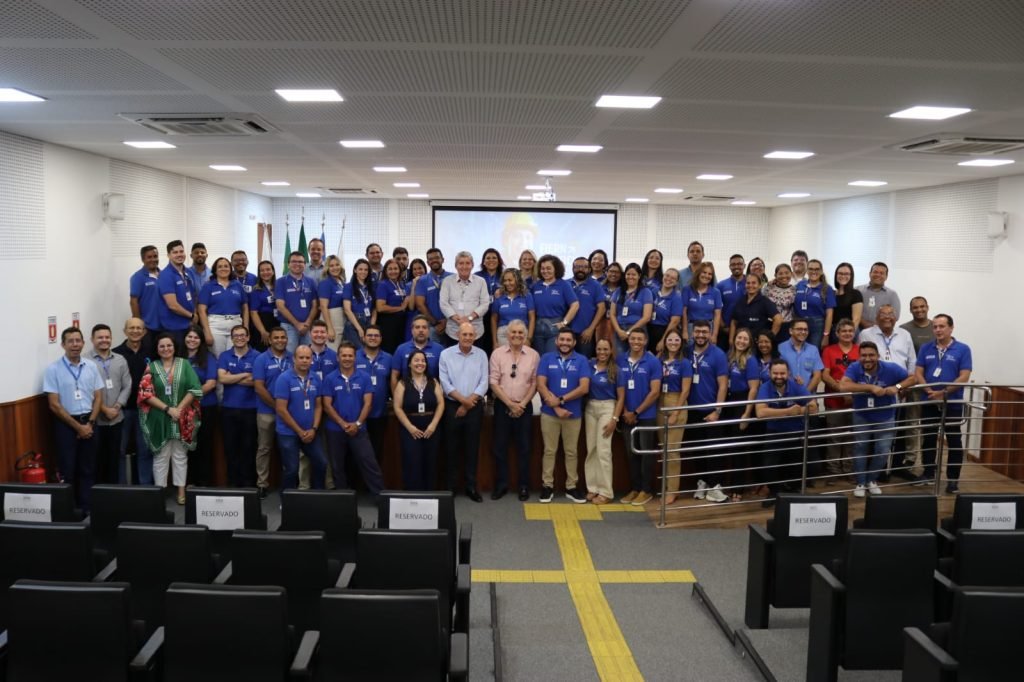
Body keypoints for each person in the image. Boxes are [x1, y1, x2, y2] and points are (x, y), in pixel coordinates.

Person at [840, 341, 915, 497]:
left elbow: (912, 379)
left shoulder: (890, 368)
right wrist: (870, 387)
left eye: (871, 355)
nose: (867, 359)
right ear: (859, 357)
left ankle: (871, 480)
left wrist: (898, 387)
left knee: (882, 450)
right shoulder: (854, 367)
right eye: (864, 355)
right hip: (862, 415)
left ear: (878, 356)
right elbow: (844, 386)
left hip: (885, 416)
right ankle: (860, 482)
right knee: (860, 448)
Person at [138, 332, 202, 505]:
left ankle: (181, 491)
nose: (166, 349)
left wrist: (178, 409)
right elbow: (145, 393)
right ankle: (160, 493)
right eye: (162, 346)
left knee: (180, 455)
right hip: (159, 417)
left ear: (174, 347)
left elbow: (195, 389)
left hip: (182, 418)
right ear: (157, 349)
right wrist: (168, 409)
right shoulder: (151, 367)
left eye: (169, 345)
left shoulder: (185, 364)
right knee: (161, 456)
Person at [44, 327, 103, 511]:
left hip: (90, 422)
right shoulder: (53, 369)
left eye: (78, 340)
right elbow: (54, 404)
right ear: (63, 344)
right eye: (70, 341)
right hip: (66, 425)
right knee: (67, 470)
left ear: (83, 343)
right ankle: (69, 510)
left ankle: (87, 508)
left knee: (88, 469)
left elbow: (99, 397)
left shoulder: (91, 366)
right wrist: (78, 428)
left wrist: (90, 423)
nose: (75, 344)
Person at [914, 314, 972, 494]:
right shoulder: (926, 348)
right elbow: (918, 372)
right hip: (929, 401)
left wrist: (944, 392)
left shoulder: (962, 349)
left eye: (942, 326)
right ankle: (929, 473)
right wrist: (929, 390)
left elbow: (964, 376)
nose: (938, 330)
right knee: (929, 439)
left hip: (952, 403)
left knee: (954, 441)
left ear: (951, 328)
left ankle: (953, 480)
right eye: (935, 327)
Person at [536, 328, 592, 503]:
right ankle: (547, 486)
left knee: (571, 451)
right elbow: (541, 384)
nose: (565, 343)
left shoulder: (582, 360)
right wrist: (555, 407)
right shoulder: (546, 358)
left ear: (574, 343)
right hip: (549, 414)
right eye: (562, 339)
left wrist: (560, 400)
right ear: (556, 341)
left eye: (569, 340)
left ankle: (571, 487)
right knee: (549, 451)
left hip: (572, 414)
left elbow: (584, 388)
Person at [322, 342, 384, 495]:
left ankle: (381, 498)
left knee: (369, 463)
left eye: (350, 355)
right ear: (338, 357)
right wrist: (343, 424)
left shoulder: (364, 377)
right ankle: (343, 499)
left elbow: (368, 403)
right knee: (337, 466)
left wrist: (357, 424)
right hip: (335, 430)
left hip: (359, 429)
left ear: (355, 358)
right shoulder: (330, 378)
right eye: (344, 355)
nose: (347, 358)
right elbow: (327, 405)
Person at [755, 359, 817, 507]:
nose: (779, 376)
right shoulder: (765, 387)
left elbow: (814, 407)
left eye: (782, 373)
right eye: (775, 373)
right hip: (774, 432)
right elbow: (760, 412)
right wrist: (789, 412)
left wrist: (800, 410)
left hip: (795, 433)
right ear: (770, 373)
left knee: (797, 464)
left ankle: (793, 492)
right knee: (769, 465)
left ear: (788, 373)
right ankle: (774, 492)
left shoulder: (796, 385)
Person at [489, 319, 540, 501]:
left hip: (524, 406)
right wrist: (510, 404)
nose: (517, 335)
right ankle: (501, 485)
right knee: (499, 448)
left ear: (525, 335)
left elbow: (535, 382)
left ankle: (523, 486)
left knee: (524, 448)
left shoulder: (534, 355)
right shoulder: (497, 354)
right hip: (503, 405)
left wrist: (522, 404)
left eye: (520, 333)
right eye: (514, 332)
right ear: (507, 335)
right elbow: (493, 382)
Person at [439, 322, 488, 501]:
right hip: (452, 406)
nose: (468, 338)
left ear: (475, 337)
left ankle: (471, 487)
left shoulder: (481, 354)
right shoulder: (446, 354)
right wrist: (463, 402)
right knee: (451, 448)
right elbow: (445, 383)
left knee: (472, 448)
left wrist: (468, 404)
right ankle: (450, 487)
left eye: (471, 335)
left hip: (474, 407)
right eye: (464, 334)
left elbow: (484, 382)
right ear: (457, 335)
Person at [614, 328, 662, 506]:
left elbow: (655, 392)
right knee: (631, 453)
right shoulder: (620, 360)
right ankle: (635, 488)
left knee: (646, 454)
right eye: (633, 338)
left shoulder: (653, 362)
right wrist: (626, 411)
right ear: (629, 340)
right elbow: (618, 389)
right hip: (626, 415)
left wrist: (636, 412)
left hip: (646, 415)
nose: (636, 342)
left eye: (639, 339)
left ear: (645, 341)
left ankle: (646, 490)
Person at [684, 321, 729, 504]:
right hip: (691, 410)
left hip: (711, 410)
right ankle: (702, 483)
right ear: (692, 333)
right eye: (697, 332)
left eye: (704, 332)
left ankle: (715, 486)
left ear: (710, 334)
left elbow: (723, 384)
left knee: (713, 451)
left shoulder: (718, 354)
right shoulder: (686, 351)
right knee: (697, 451)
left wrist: (717, 410)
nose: (700, 335)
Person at [274, 345, 328, 490]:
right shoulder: (284, 379)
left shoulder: (315, 378)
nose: (304, 361)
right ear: (294, 359)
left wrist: (314, 428)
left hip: (310, 432)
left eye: (307, 358)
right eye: (301, 357)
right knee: (291, 469)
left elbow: (318, 406)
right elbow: (281, 409)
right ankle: (286, 501)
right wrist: (299, 431)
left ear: (312, 360)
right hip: (288, 432)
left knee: (321, 463)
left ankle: (318, 496)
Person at [393, 350, 445, 490]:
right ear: (409, 364)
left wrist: (433, 425)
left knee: (431, 461)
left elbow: (441, 403)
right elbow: (397, 407)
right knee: (412, 462)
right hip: (410, 428)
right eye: (416, 360)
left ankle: (429, 496)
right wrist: (410, 427)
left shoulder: (433, 381)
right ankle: (413, 495)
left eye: (422, 361)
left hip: (431, 427)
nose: (420, 363)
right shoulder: (403, 383)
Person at [113, 317, 154, 484]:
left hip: (146, 409)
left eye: (139, 328)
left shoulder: (152, 352)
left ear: (144, 332)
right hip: (122, 409)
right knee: (120, 451)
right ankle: (121, 489)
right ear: (125, 331)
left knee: (145, 451)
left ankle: (146, 489)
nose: (135, 331)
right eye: (131, 328)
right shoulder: (115, 353)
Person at [217, 325, 259, 487]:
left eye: (242, 335)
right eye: (236, 335)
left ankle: (249, 485)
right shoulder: (224, 356)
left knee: (248, 449)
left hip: (250, 409)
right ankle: (233, 485)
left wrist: (231, 376)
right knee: (231, 449)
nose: (239, 338)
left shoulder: (257, 356)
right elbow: (222, 379)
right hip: (228, 409)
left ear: (248, 337)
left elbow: (256, 381)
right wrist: (244, 375)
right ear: (232, 338)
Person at [89, 324, 131, 485]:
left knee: (114, 457)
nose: (104, 340)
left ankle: (113, 494)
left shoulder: (120, 360)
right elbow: (87, 390)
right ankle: (97, 494)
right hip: (95, 420)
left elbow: (127, 384)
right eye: (100, 337)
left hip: (116, 418)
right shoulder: (86, 361)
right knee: (96, 459)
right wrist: (104, 409)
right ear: (92, 339)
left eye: (107, 337)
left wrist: (117, 406)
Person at [252, 326, 291, 498]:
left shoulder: (293, 358)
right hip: (266, 411)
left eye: (283, 337)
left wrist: (284, 409)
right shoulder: (261, 359)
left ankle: (289, 484)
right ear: (270, 339)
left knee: (288, 449)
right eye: (276, 337)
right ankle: (262, 484)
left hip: (290, 414)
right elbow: (259, 387)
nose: (280, 340)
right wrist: (277, 406)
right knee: (264, 448)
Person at [722, 328, 761, 501]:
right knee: (727, 445)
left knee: (739, 447)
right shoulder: (727, 356)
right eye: (739, 338)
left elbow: (754, 388)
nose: (742, 341)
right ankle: (725, 485)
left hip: (741, 403)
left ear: (749, 342)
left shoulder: (751, 360)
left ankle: (739, 487)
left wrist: (746, 412)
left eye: (745, 339)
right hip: (727, 402)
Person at [654, 330, 692, 505]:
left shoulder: (684, 363)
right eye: (670, 339)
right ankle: (665, 486)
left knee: (672, 450)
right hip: (660, 401)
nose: (673, 342)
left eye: (677, 339)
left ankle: (672, 490)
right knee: (663, 449)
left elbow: (686, 390)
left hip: (676, 401)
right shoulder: (659, 361)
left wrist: (676, 412)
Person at [820, 319, 859, 484]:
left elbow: (863, 374)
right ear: (837, 334)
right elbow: (825, 375)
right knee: (834, 438)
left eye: (850, 331)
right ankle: (833, 471)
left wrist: (851, 392)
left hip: (855, 402)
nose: (847, 334)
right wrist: (841, 390)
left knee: (852, 438)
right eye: (844, 331)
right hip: (834, 401)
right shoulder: (829, 350)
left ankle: (849, 470)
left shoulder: (859, 350)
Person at [584, 338, 620, 505]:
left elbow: (621, 398)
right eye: (599, 349)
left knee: (603, 450)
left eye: (605, 349)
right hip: (590, 408)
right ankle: (593, 488)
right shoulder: (589, 365)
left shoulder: (616, 370)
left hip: (607, 407)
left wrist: (614, 418)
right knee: (591, 448)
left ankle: (606, 491)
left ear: (611, 351)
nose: (602, 352)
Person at [184, 325, 218, 487]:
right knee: (187, 447)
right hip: (184, 410)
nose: (192, 340)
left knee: (204, 445)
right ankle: (190, 482)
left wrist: (189, 398)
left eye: (196, 337)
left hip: (206, 407)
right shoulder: (178, 357)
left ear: (201, 340)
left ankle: (204, 482)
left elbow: (211, 384)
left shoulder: (209, 358)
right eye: (189, 337)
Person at [354, 325, 392, 463]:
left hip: (379, 414)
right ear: (363, 338)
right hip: (358, 415)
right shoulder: (355, 357)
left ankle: (374, 484)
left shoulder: (388, 358)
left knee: (376, 453)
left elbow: (392, 382)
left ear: (381, 339)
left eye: (376, 336)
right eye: (369, 335)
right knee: (357, 456)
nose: (373, 338)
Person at [198, 256, 249, 358]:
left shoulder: (237, 285)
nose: (223, 268)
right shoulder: (208, 286)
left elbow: (245, 308)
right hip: (216, 326)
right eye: (220, 266)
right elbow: (201, 310)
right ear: (215, 270)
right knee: (218, 357)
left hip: (235, 324)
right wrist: (207, 332)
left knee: (235, 356)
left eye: (226, 266)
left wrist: (246, 328)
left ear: (230, 269)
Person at [531, 254, 579, 355]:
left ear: (556, 269)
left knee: (551, 358)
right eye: (542, 268)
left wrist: (564, 323)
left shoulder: (564, 285)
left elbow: (575, 305)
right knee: (538, 359)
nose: (545, 271)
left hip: (554, 328)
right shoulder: (536, 286)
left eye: (548, 268)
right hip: (538, 328)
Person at [440, 251, 490, 345]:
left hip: (475, 332)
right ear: (456, 266)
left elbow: (485, 303)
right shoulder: (447, 281)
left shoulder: (481, 281)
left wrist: (470, 318)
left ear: (472, 265)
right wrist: (457, 319)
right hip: (453, 331)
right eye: (461, 263)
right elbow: (443, 303)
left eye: (467, 263)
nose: (464, 266)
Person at [275, 250, 319, 353]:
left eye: (300, 262)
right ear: (288, 264)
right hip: (289, 326)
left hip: (307, 327)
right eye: (294, 261)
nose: (297, 264)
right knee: (289, 356)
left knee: (307, 355)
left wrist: (307, 324)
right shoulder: (281, 282)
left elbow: (315, 305)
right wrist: (297, 324)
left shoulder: (310, 281)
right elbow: (280, 306)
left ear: (305, 264)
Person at [157, 240, 196, 343]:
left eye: (181, 251)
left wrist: (194, 316)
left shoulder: (188, 272)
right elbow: (172, 305)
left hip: (188, 325)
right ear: (168, 255)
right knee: (178, 357)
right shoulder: (166, 275)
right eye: (175, 252)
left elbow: (193, 296)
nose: (179, 255)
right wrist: (191, 316)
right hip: (174, 328)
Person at [859, 305, 916, 376]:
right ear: (876, 318)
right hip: (876, 380)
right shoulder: (866, 334)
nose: (887, 317)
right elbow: (861, 358)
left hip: (901, 380)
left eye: (891, 314)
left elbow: (912, 360)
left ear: (895, 318)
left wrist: (909, 378)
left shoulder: (905, 334)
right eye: (883, 314)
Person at [609, 262, 652, 355]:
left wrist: (629, 333)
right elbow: (612, 314)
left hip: (638, 331)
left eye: (634, 274)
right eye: (628, 274)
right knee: (620, 359)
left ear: (639, 276)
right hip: (619, 330)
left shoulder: (645, 292)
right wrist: (619, 331)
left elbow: (647, 317)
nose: (630, 277)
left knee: (638, 357)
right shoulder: (618, 291)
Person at [391, 315, 446, 387]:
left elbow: (444, 378)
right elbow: (394, 376)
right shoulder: (401, 349)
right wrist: (397, 396)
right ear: (412, 330)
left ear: (429, 330)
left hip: (432, 395)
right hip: (406, 395)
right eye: (417, 327)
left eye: (424, 327)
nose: (421, 330)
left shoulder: (439, 349)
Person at [729, 273, 781, 345]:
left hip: (756, 344)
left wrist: (769, 338)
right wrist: (731, 340)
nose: (750, 285)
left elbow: (778, 319)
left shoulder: (765, 302)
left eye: (754, 283)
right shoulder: (740, 301)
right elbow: (734, 321)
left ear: (760, 285)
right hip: (741, 343)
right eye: (748, 283)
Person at [570, 257, 606, 357]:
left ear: (589, 269)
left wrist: (591, 329)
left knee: (585, 362)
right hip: (566, 333)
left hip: (585, 333)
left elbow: (602, 308)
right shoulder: (565, 284)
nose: (580, 269)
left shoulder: (595, 285)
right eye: (577, 266)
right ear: (573, 268)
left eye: (584, 267)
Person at [794, 259, 835, 348]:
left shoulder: (827, 289)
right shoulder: (800, 285)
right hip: (799, 323)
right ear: (807, 271)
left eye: (817, 269)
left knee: (813, 352)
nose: (813, 271)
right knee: (798, 349)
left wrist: (826, 335)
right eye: (811, 269)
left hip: (817, 325)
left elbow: (829, 314)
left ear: (821, 271)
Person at [490, 268, 535, 349]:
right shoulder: (499, 296)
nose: (507, 283)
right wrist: (494, 342)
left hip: (521, 333)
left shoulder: (527, 295)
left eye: (510, 280)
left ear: (518, 280)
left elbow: (532, 317)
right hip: (503, 334)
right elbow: (494, 319)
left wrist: (529, 339)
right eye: (505, 280)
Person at [415, 248, 452, 344]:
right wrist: (435, 323)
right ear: (427, 262)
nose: (434, 260)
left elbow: (458, 300)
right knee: (434, 355)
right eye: (431, 259)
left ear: (442, 259)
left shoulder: (453, 277)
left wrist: (447, 321)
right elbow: (420, 304)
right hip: (432, 326)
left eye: (437, 257)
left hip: (452, 324)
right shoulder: (422, 280)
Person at [682, 262, 723, 344]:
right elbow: (684, 311)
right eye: (704, 272)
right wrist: (685, 331)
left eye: (710, 274)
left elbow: (717, 315)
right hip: (691, 328)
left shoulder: (716, 292)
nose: (707, 276)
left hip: (708, 328)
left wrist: (714, 335)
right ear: (698, 273)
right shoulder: (687, 289)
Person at [375, 258, 409, 353]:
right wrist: (400, 308)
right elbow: (380, 307)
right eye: (390, 269)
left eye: (395, 268)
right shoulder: (383, 285)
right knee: (390, 351)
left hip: (401, 324)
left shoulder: (401, 284)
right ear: (385, 271)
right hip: (388, 324)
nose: (393, 271)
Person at [342, 258, 375, 349]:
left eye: (366, 270)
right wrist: (359, 328)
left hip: (369, 321)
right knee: (359, 350)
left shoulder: (371, 287)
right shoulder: (348, 286)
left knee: (369, 349)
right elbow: (347, 309)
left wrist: (371, 326)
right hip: (354, 322)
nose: (363, 272)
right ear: (355, 270)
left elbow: (375, 308)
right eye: (360, 269)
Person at [857, 261, 901, 330]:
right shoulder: (858, 290)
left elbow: (895, 316)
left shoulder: (892, 295)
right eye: (875, 272)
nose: (878, 275)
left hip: (881, 331)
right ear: (870, 274)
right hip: (858, 329)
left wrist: (876, 326)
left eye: (881, 273)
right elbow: (851, 311)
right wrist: (864, 323)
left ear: (886, 277)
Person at [475, 248, 504, 352]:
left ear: (499, 260)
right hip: (481, 317)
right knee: (483, 346)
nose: (491, 260)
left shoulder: (504, 275)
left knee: (497, 347)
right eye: (488, 258)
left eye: (494, 258)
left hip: (500, 316)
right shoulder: (476, 276)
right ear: (483, 261)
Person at [129, 245, 161, 335]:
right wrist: (139, 325)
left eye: (155, 256)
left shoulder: (164, 275)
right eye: (149, 257)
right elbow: (133, 302)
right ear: (143, 259)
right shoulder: (137, 277)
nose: (153, 260)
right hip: (148, 327)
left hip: (165, 325)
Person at [318, 255, 347, 351]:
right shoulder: (325, 283)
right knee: (332, 350)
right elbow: (323, 306)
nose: (335, 268)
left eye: (337, 265)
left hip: (342, 319)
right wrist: (329, 328)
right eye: (331, 266)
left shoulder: (342, 282)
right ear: (327, 268)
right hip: (331, 319)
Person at [717, 254, 747, 349]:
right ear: (730, 267)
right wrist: (723, 326)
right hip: (725, 330)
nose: (736, 266)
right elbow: (717, 308)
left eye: (739, 264)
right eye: (733, 264)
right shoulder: (721, 285)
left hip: (746, 331)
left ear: (744, 265)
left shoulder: (750, 283)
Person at [649, 268, 683, 353]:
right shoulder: (653, 292)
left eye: (673, 278)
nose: (669, 279)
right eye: (667, 275)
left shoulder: (676, 298)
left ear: (676, 282)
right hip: (649, 329)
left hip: (664, 331)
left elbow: (675, 321)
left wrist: (663, 340)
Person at [249, 260, 278, 352]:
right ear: (259, 273)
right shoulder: (256, 289)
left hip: (278, 322)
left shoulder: (279, 286)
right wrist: (262, 331)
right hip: (263, 323)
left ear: (273, 271)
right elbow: (253, 313)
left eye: (268, 269)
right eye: (262, 270)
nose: (265, 272)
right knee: (264, 351)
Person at [763, 263, 796, 343]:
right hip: (769, 324)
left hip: (787, 326)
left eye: (787, 273)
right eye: (780, 273)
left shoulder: (794, 290)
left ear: (791, 274)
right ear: (775, 275)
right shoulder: (768, 288)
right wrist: (767, 284)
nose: (784, 276)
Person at [832, 262, 863, 336]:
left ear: (851, 276)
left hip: (849, 333)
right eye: (840, 273)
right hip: (834, 332)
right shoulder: (832, 294)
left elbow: (856, 319)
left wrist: (848, 334)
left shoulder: (856, 294)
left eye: (846, 274)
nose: (843, 276)